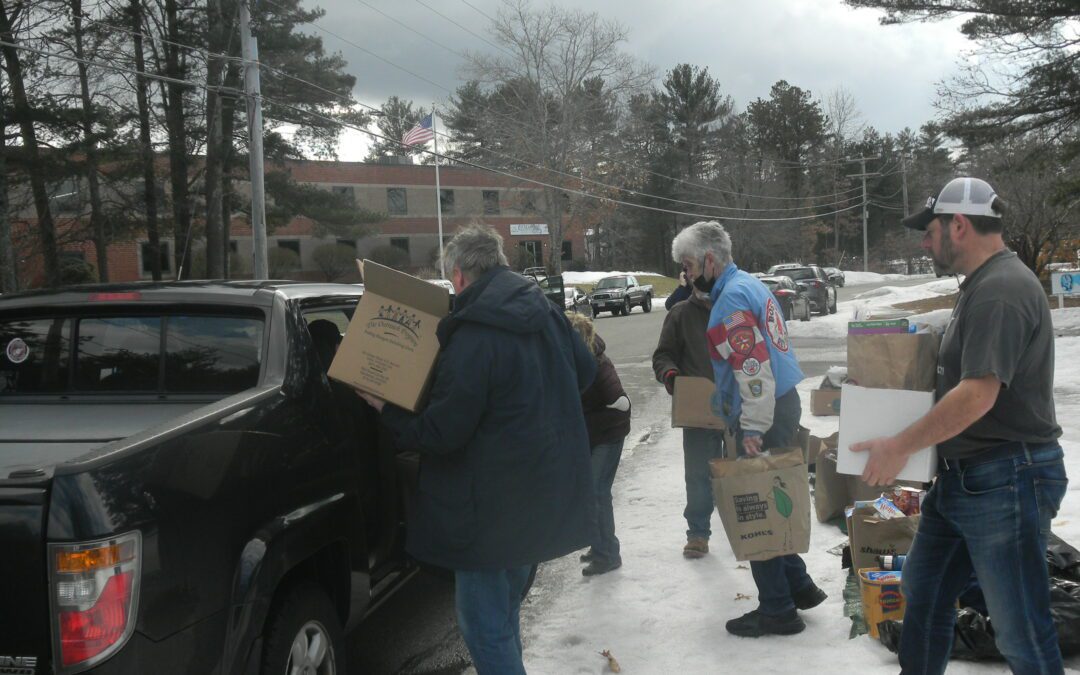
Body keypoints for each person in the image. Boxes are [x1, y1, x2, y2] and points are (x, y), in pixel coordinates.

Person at [358, 224, 598, 674]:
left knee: (484, 628)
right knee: (503, 617)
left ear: (461, 276)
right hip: (537, 495)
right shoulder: (545, 311)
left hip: (488, 512)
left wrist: (387, 409)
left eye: (451, 279)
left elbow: (442, 434)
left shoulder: (473, 334)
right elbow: (583, 373)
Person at [852, 177, 1068, 674]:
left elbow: (977, 394)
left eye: (929, 232)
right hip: (966, 478)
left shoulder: (1001, 290)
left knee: (1021, 632)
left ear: (959, 225)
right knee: (924, 593)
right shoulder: (982, 285)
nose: (924, 243)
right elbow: (956, 375)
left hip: (1005, 478)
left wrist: (899, 446)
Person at [671, 220, 827, 638]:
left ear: (708, 259)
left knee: (755, 508)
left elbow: (753, 370)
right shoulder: (748, 285)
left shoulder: (732, 301)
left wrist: (753, 427)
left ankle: (777, 609)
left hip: (765, 411)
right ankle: (798, 586)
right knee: (775, 498)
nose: (685, 275)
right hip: (778, 406)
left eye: (687, 265)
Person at [652, 281, 725, 559]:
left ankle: (743, 524)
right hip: (698, 406)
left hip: (736, 402)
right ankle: (697, 532)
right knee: (697, 474)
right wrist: (670, 374)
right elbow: (663, 355)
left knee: (738, 469)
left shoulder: (733, 308)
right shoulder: (680, 313)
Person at [569, 313, 632, 576]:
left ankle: (609, 554)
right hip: (594, 435)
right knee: (590, 493)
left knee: (598, 492)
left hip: (609, 435)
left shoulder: (595, 362)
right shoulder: (575, 360)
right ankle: (599, 546)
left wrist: (593, 417)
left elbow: (621, 401)